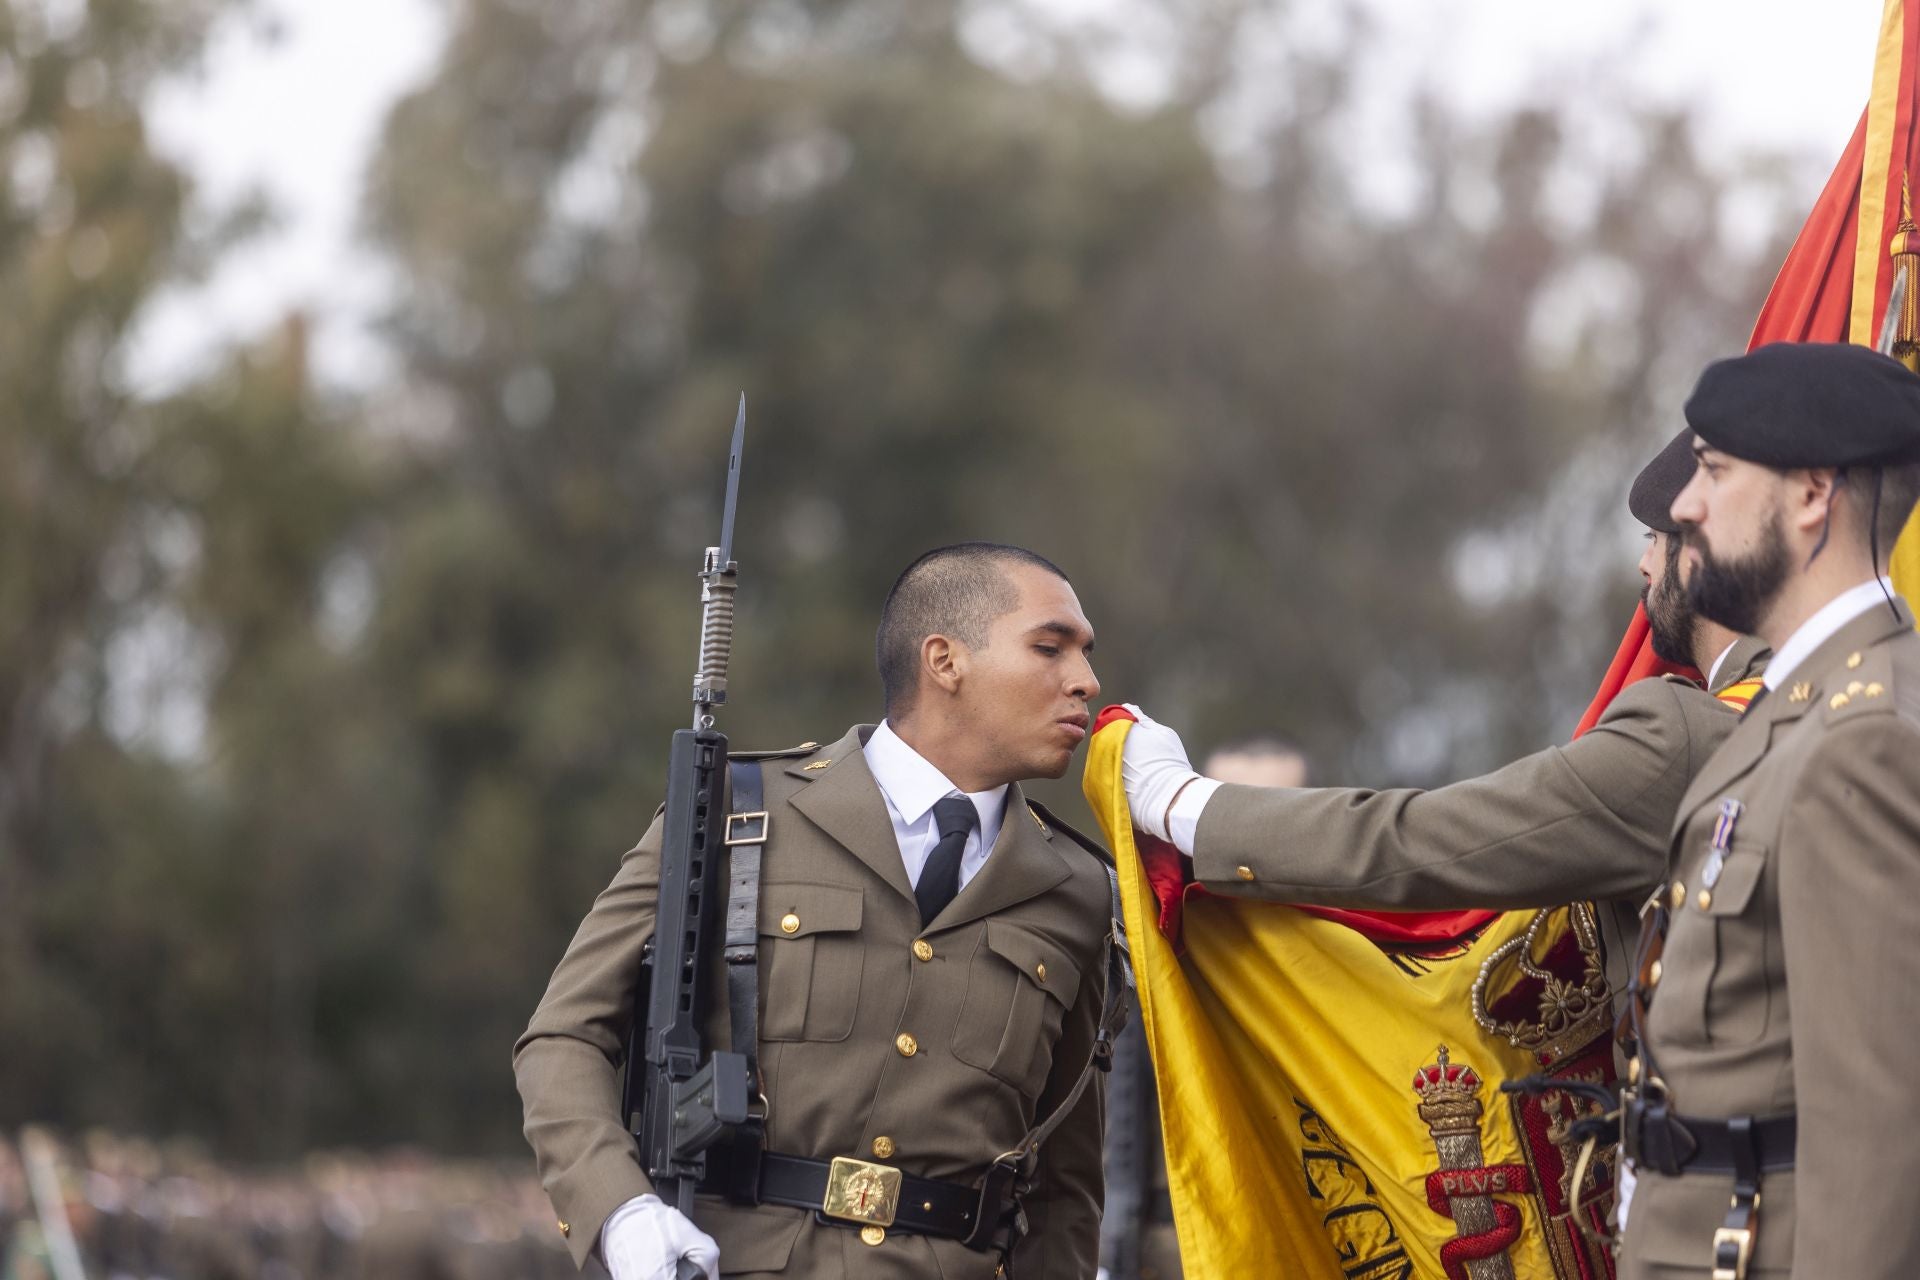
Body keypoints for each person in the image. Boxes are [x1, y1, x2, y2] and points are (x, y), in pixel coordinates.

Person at [515, 542, 1117, 1280]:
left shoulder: (1079, 889)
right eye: (1050, 648)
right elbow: (562, 1037)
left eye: (1084, 654)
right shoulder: (738, 814)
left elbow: (1064, 1184)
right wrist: (620, 1209)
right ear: (945, 661)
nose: (1084, 681)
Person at [1116, 429, 1767, 1011]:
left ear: (1701, 551)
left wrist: (1186, 805)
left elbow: (1422, 841)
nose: (1643, 565)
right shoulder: (1812, 696)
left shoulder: (1681, 734)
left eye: (1656, 538)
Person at [1617, 342, 1920, 1280]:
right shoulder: (1804, 701)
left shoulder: (1861, 740)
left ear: (1811, 496)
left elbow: (1876, 1131)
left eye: (1713, 470)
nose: (1684, 506)